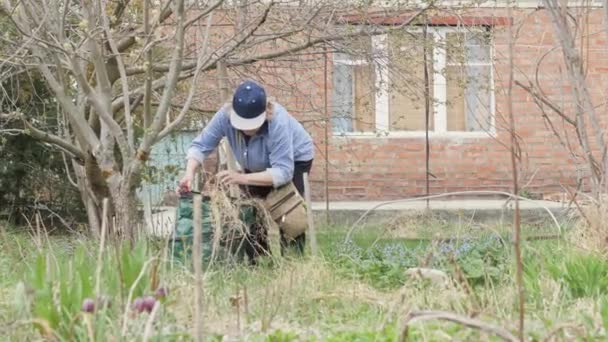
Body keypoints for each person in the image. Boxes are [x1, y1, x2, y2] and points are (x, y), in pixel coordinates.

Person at [178, 79, 315, 262]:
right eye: (242, 123)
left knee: (286, 210)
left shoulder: (278, 122)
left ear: (265, 112)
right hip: (254, 162)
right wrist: (189, 172)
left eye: (252, 123)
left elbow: (283, 172)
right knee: (250, 209)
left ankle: (292, 263)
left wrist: (240, 178)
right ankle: (258, 261)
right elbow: (201, 145)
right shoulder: (224, 116)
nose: (247, 128)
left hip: (294, 161)